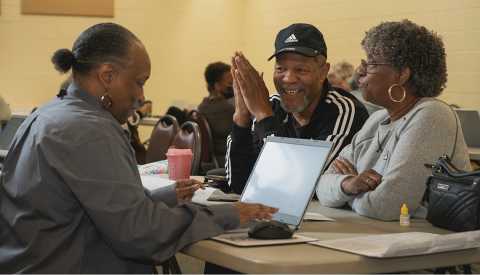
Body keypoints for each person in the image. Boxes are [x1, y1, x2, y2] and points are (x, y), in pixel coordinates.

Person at [0, 23, 277, 273]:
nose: (142, 96)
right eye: (139, 82)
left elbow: (90, 206)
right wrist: (231, 214)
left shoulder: (47, 114)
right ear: (107, 76)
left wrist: (162, 198)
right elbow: (140, 235)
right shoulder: (90, 130)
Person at [316, 19, 472, 221]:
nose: (359, 71)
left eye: (371, 63)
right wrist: (348, 184)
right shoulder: (377, 119)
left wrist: (345, 194)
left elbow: (387, 205)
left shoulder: (432, 115)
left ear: (402, 75)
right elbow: (321, 186)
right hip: (376, 234)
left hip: (429, 244)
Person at [226, 23, 369, 194]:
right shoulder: (272, 107)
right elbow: (238, 184)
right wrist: (241, 117)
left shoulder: (344, 111)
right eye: (281, 68)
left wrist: (264, 116)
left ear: (324, 71)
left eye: (300, 69)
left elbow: (300, 186)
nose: (288, 79)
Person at [197, 61, 235, 167]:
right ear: (217, 85)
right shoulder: (226, 109)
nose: (233, 86)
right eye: (230, 83)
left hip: (210, 162)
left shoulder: (202, 107)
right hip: (227, 162)